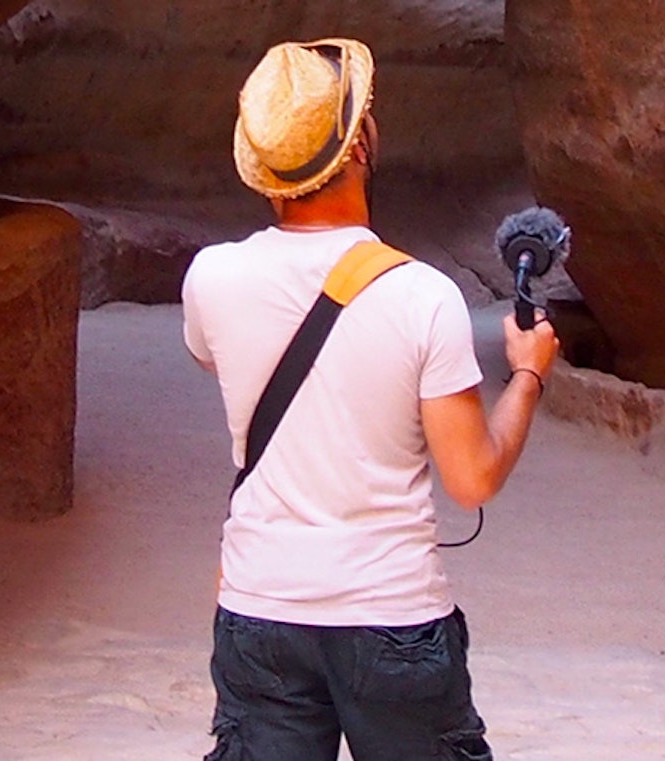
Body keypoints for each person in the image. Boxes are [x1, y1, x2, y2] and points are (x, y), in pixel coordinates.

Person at [180, 37, 559, 761]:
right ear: (358, 146)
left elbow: (214, 359)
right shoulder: (422, 296)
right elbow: (472, 476)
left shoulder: (211, 278)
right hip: (392, 618)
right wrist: (528, 374)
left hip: (260, 611)